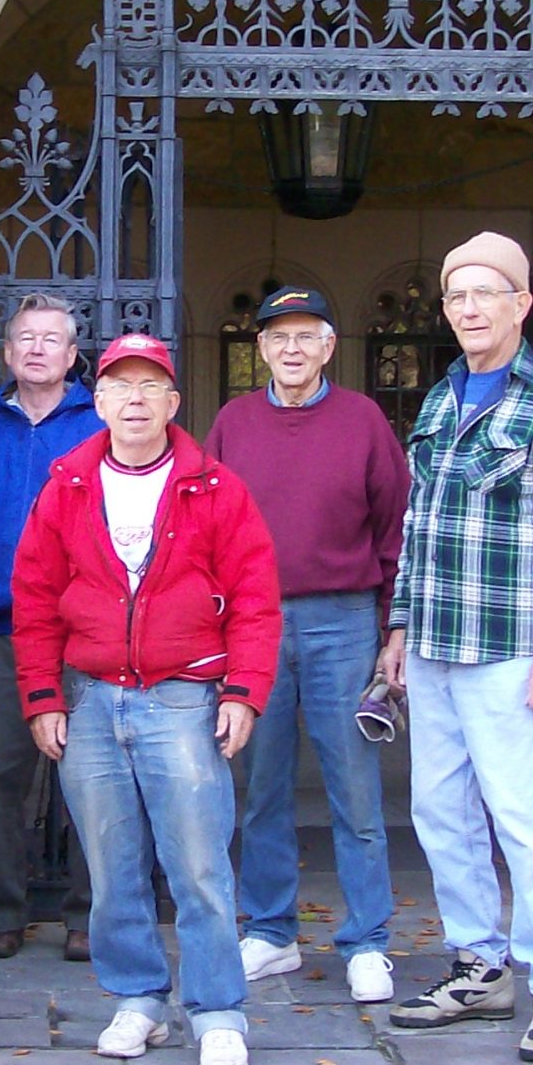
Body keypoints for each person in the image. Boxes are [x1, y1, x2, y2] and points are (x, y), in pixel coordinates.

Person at [10, 335, 283, 1065]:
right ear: (95, 402)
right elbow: (33, 599)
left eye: (148, 386)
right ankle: (137, 999)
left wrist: (243, 691)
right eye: (119, 386)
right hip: (92, 701)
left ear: (172, 402)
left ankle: (218, 1011)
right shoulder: (67, 483)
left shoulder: (215, 488)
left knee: (197, 865)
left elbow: (256, 599)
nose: (134, 399)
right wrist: (41, 694)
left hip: (183, 699)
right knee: (112, 865)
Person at [380, 233, 533, 1062]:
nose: (469, 310)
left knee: (522, 820)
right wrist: (400, 629)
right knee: (440, 815)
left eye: (485, 295)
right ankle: (481, 966)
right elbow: (418, 527)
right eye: (456, 298)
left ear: (521, 303)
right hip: (436, 645)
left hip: (513, 647)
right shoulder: (441, 400)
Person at [204, 285, 411, 1007]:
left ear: (329, 346)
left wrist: (394, 630)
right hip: (255, 624)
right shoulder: (233, 423)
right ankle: (270, 931)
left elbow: (395, 530)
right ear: (259, 347)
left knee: (354, 790)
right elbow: (207, 527)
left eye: (307, 336)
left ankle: (367, 942)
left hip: (344, 620)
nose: (291, 348)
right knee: (260, 788)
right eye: (278, 336)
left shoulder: (362, 422)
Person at [0, 294, 104, 961]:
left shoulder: (101, 426)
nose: (37, 349)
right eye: (25, 338)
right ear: (7, 354)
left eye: (51, 339)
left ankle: (91, 915)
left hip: (88, 633)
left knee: (92, 779)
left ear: (72, 355)